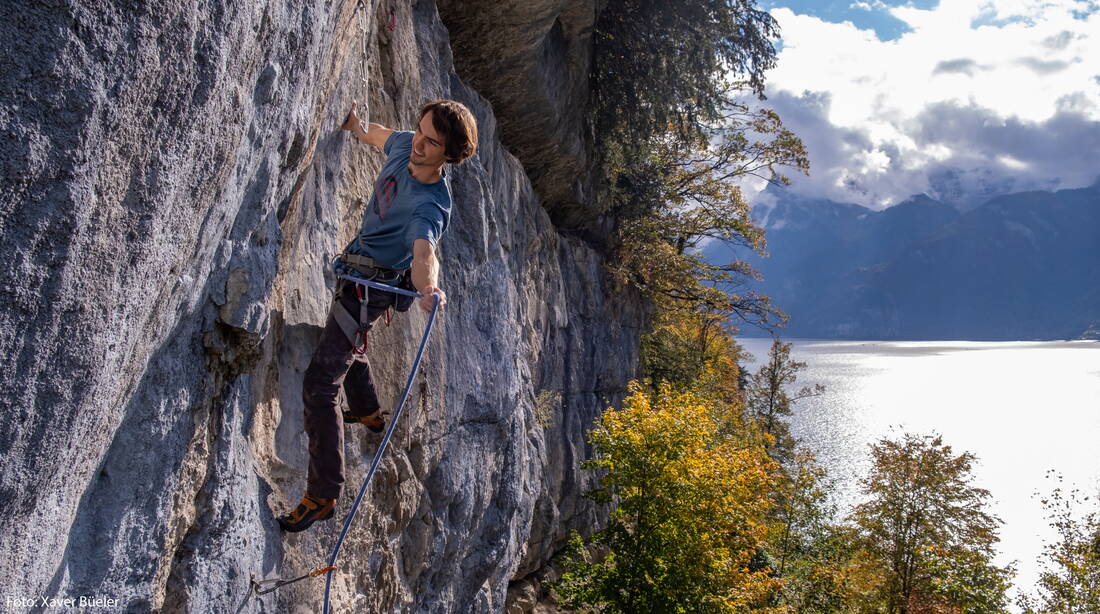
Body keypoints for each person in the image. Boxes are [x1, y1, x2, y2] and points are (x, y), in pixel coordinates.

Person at [278, 99, 478, 532]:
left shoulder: (430, 205)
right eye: (420, 132)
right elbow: (384, 137)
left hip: (372, 289)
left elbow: (425, 252)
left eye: (431, 142)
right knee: (349, 343)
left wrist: (428, 289)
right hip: (357, 271)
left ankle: (323, 493)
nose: (418, 145)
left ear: (449, 154)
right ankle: (368, 411)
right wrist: (355, 125)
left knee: (320, 383)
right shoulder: (408, 145)